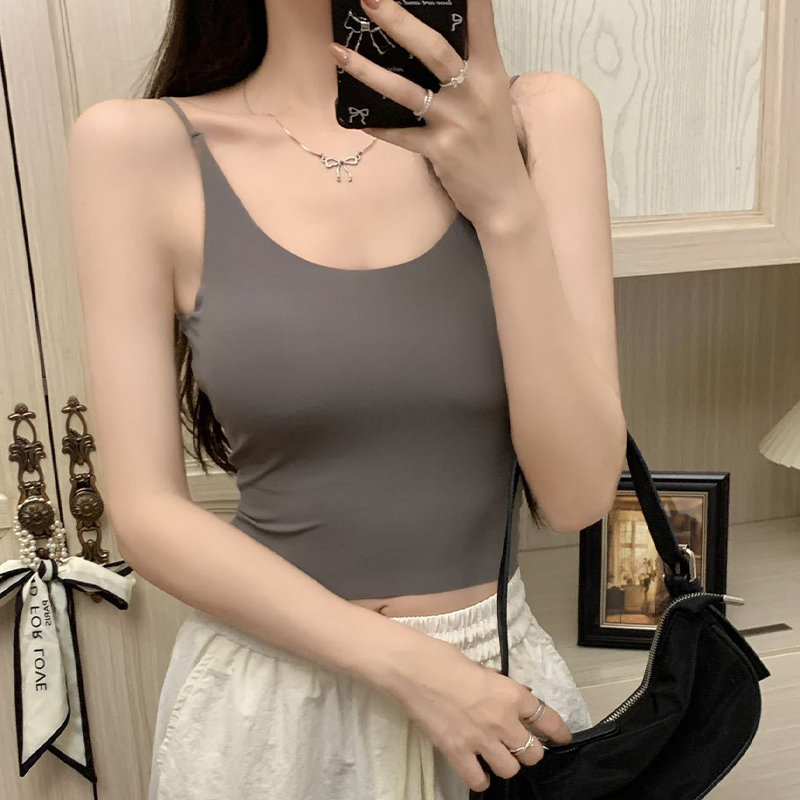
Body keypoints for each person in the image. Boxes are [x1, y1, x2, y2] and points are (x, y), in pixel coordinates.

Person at [67, 1, 627, 797]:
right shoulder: (136, 146)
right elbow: (148, 513)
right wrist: (414, 669)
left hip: (498, 692)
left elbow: (576, 496)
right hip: (273, 708)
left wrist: (505, 206)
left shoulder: (546, 120)